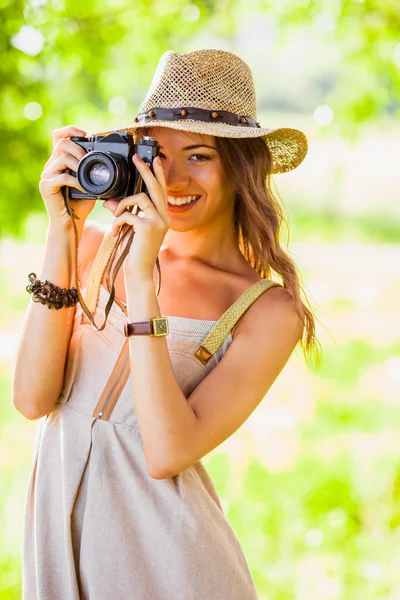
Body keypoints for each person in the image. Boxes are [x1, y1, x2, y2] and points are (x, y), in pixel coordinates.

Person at [13, 49, 321, 599]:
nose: (172, 178)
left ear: (242, 166)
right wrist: (61, 230)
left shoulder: (265, 310)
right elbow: (33, 399)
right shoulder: (89, 248)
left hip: (171, 565)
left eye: (199, 155)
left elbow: (165, 453)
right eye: (156, 154)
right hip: (59, 547)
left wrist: (142, 282)